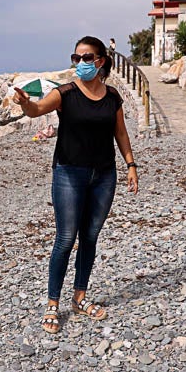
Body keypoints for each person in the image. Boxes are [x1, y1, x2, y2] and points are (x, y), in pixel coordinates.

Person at [14, 35, 139, 334]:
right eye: (76, 58)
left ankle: (79, 298)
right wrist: (25, 104)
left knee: (91, 236)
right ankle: (52, 303)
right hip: (69, 174)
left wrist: (131, 165)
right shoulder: (65, 94)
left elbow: (120, 134)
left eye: (86, 58)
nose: (80, 63)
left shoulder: (112, 97)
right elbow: (37, 110)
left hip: (105, 176)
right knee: (66, 238)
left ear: (101, 61)